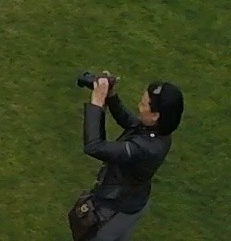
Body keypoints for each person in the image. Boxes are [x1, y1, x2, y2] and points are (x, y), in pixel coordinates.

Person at [79, 74, 184, 239]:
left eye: (144, 104)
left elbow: (94, 146)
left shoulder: (145, 148)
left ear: (155, 115)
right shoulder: (158, 131)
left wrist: (97, 103)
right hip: (130, 203)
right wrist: (111, 96)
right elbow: (130, 123)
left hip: (114, 212)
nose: (139, 106)